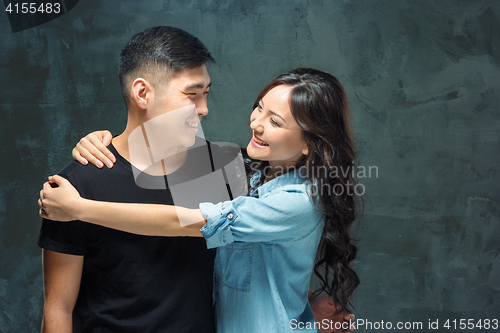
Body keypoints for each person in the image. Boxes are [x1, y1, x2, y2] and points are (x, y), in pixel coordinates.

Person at [39, 68, 360, 333]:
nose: (257, 123)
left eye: (276, 122)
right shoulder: (246, 171)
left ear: (309, 145)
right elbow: (266, 263)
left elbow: (186, 222)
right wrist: (102, 142)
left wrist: (80, 209)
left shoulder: (300, 199)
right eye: (259, 107)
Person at [37, 26, 219, 333]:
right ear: (142, 93)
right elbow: (58, 307)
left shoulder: (217, 170)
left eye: (206, 94)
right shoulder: (77, 184)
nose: (204, 109)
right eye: (191, 95)